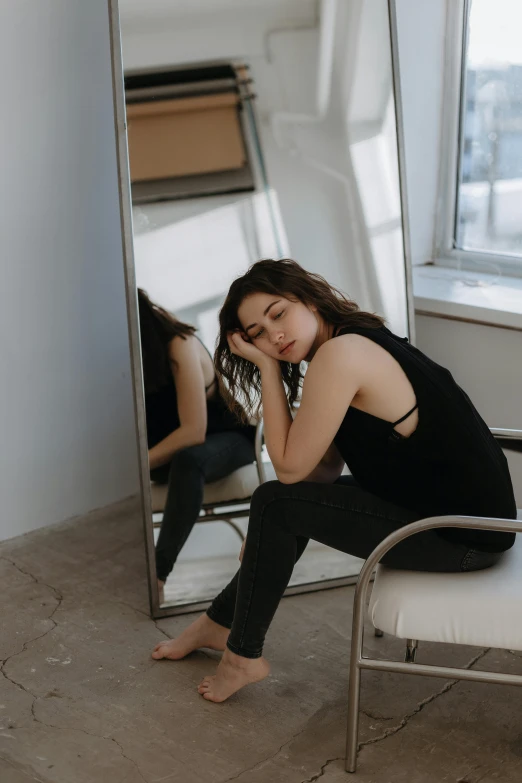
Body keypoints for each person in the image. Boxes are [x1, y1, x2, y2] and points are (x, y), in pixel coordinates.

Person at [150, 259, 516, 702]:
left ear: (308, 298)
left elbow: (286, 468)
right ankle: (217, 623)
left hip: (462, 538)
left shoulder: (340, 355)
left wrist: (266, 369)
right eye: (257, 334)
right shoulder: (352, 341)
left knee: (275, 502)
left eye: (277, 314)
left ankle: (242, 656)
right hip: (455, 519)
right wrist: (265, 529)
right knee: (279, 506)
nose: (273, 336)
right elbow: (314, 472)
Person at [138, 289, 255, 602]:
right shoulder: (124, 363)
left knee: (189, 459)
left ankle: (157, 575)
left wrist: (138, 464)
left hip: (227, 441)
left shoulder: (179, 345)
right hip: (169, 458)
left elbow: (193, 432)